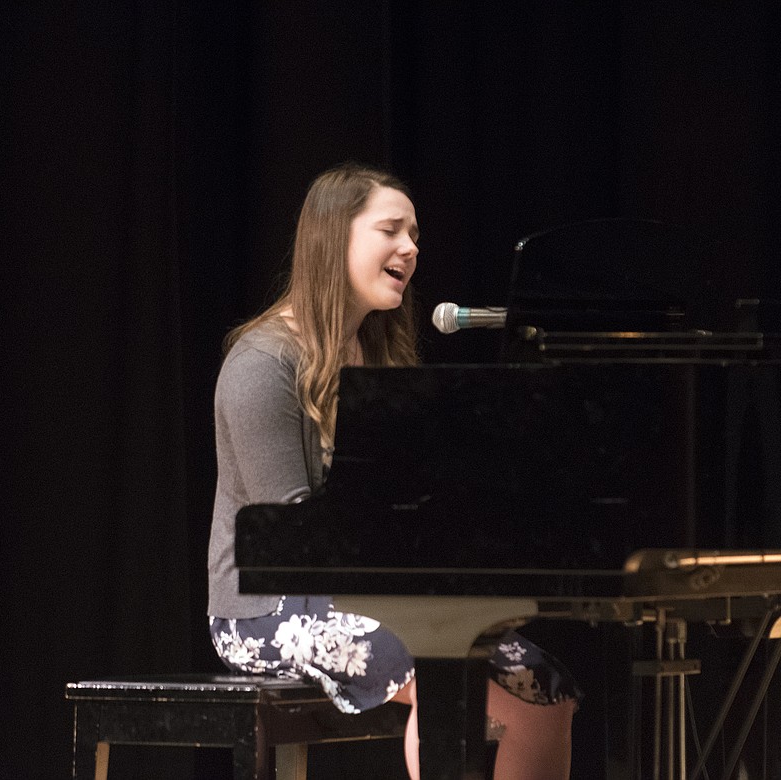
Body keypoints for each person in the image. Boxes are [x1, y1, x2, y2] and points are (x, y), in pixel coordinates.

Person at [207, 162, 578, 779]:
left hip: (375, 595)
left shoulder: (378, 353)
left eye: (414, 235)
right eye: (391, 230)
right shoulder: (262, 362)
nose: (410, 248)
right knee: (441, 676)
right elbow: (290, 540)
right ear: (335, 239)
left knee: (546, 687)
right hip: (266, 608)